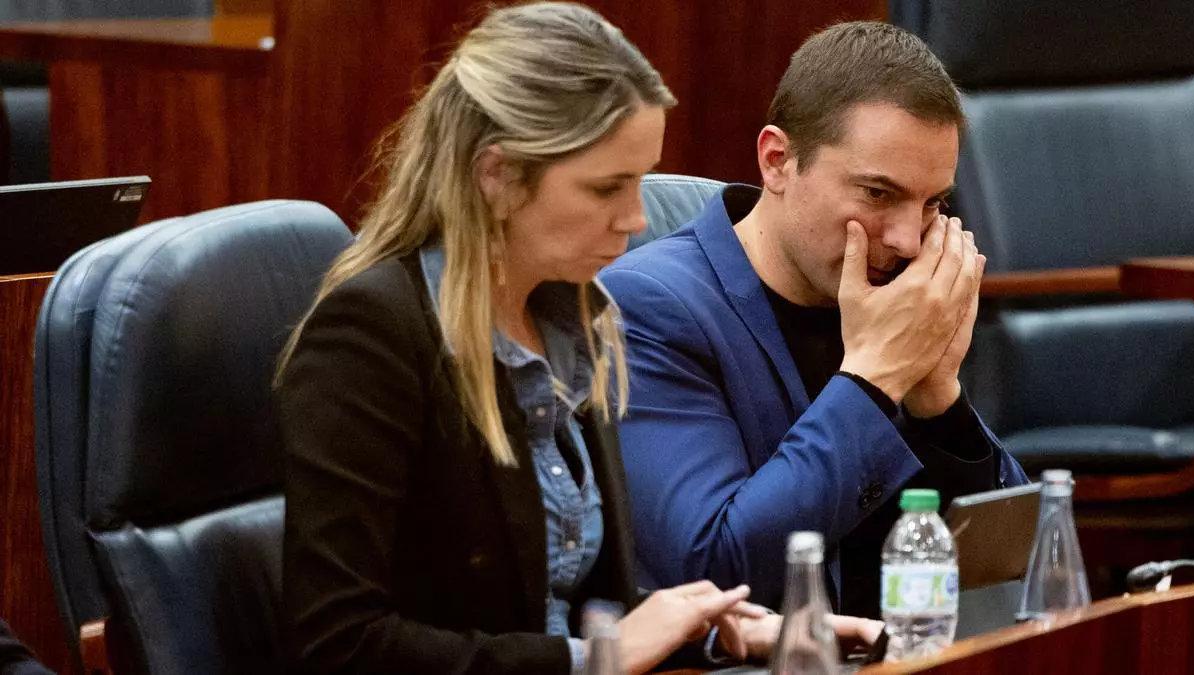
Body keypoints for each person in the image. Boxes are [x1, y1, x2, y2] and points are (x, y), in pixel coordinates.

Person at [274, 4, 870, 673]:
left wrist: (705, 628)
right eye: (606, 187)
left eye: (640, 180)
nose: (636, 217)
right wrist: (593, 660)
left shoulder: (574, 317)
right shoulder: (371, 335)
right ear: (497, 177)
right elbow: (339, 644)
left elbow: (570, 596)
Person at [599, 21, 1030, 618]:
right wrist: (873, 382)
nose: (908, 240)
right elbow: (711, 571)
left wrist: (940, 403)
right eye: (878, 194)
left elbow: (1008, 575)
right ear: (777, 161)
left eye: (932, 203)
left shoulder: (897, 299)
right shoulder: (648, 307)